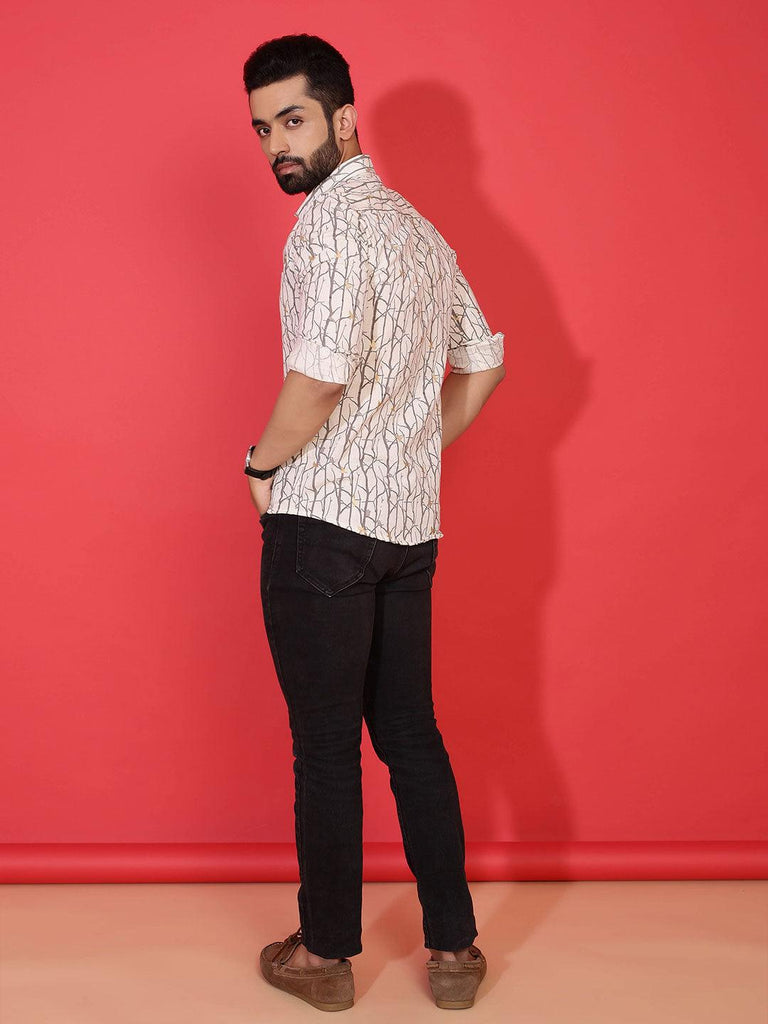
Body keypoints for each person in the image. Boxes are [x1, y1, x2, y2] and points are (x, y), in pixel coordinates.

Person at [242, 33, 505, 1011]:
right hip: (407, 531)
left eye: (293, 119)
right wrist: (410, 449)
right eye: (263, 128)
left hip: (322, 531)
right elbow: (484, 361)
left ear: (345, 118)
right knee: (411, 736)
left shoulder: (326, 226)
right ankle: (455, 951)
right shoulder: (418, 231)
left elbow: (317, 378)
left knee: (325, 751)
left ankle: (324, 957)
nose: (277, 143)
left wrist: (261, 464)